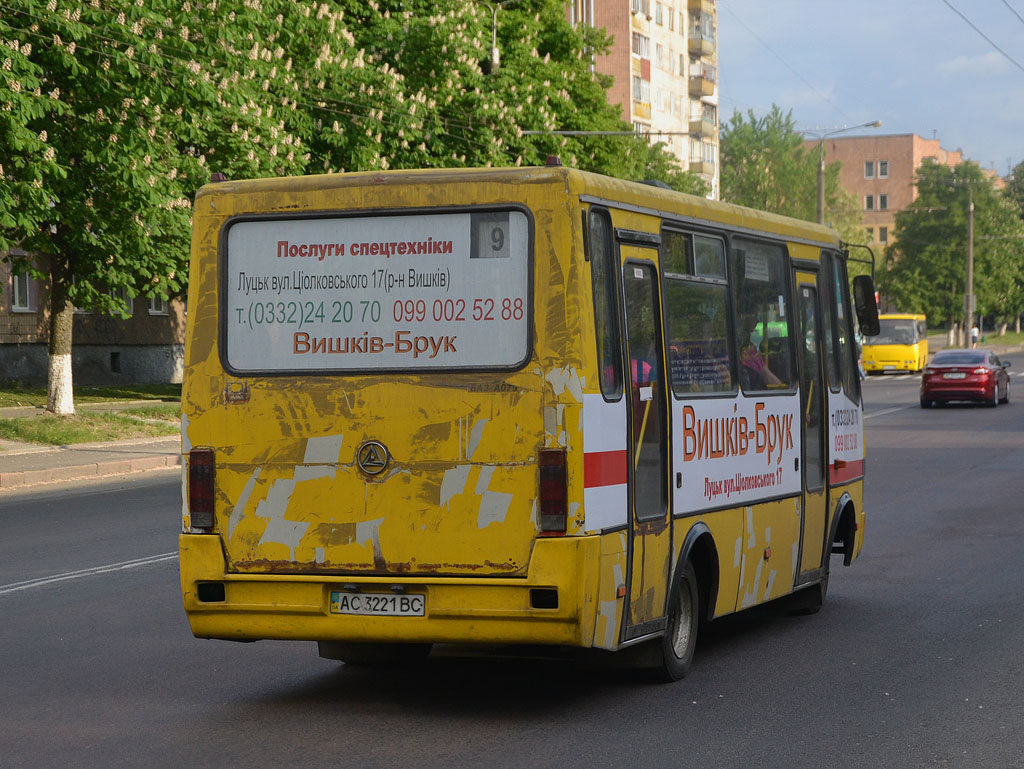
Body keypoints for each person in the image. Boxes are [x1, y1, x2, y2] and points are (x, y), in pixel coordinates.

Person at [739, 318, 782, 390]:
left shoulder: (753, 353)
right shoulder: (751, 374)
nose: (757, 321)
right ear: (744, 352)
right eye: (754, 316)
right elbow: (771, 380)